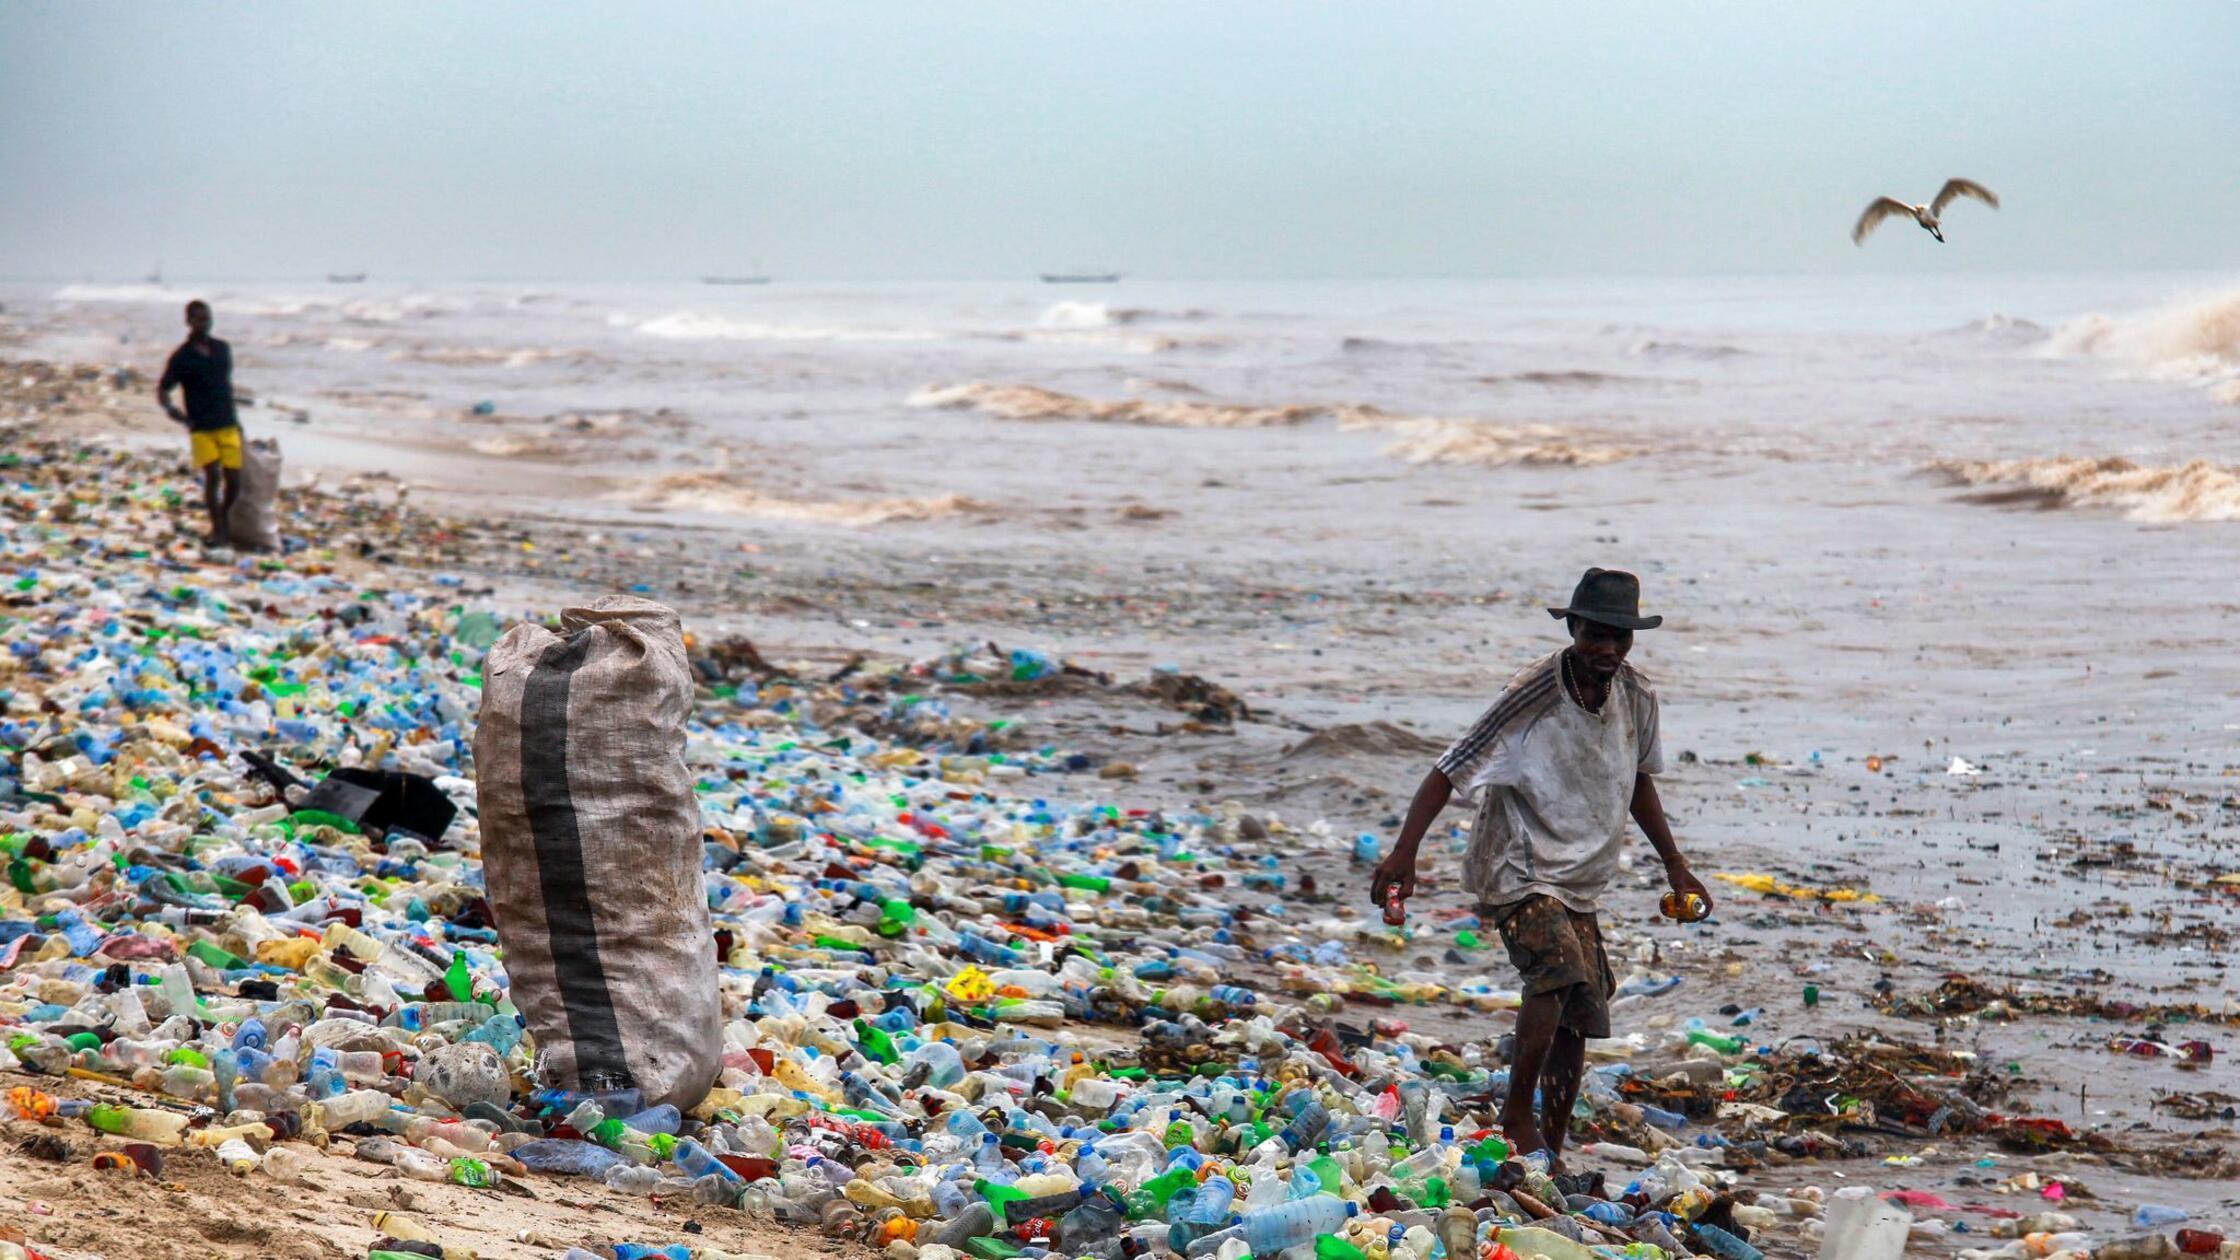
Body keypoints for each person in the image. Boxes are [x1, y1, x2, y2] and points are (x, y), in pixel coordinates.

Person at [1370, 567, 1710, 1165]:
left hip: (1580, 877)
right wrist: (1404, 853)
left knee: (1583, 1008)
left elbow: (1638, 782)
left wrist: (1675, 865)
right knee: (1556, 971)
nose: (1608, 649)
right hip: (1517, 864)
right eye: (1596, 634)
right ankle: (1515, 1115)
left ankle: (1549, 1146)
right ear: (1573, 628)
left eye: (1620, 637)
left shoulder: (1637, 696)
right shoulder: (1534, 692)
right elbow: (1450, 768)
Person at [156, 299, 243, 546]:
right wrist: (172, 411)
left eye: (207, 318)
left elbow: (225, 386)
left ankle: (223, 516)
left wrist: (238, 422)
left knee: (235, 480)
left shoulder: (222, 349)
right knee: (213, 477)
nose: (204, 323)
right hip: (201, 427)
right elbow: (163, 389)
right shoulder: (182, 357)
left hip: (227, 422)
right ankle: (218, 529)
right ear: (189, 322)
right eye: (199, 319)